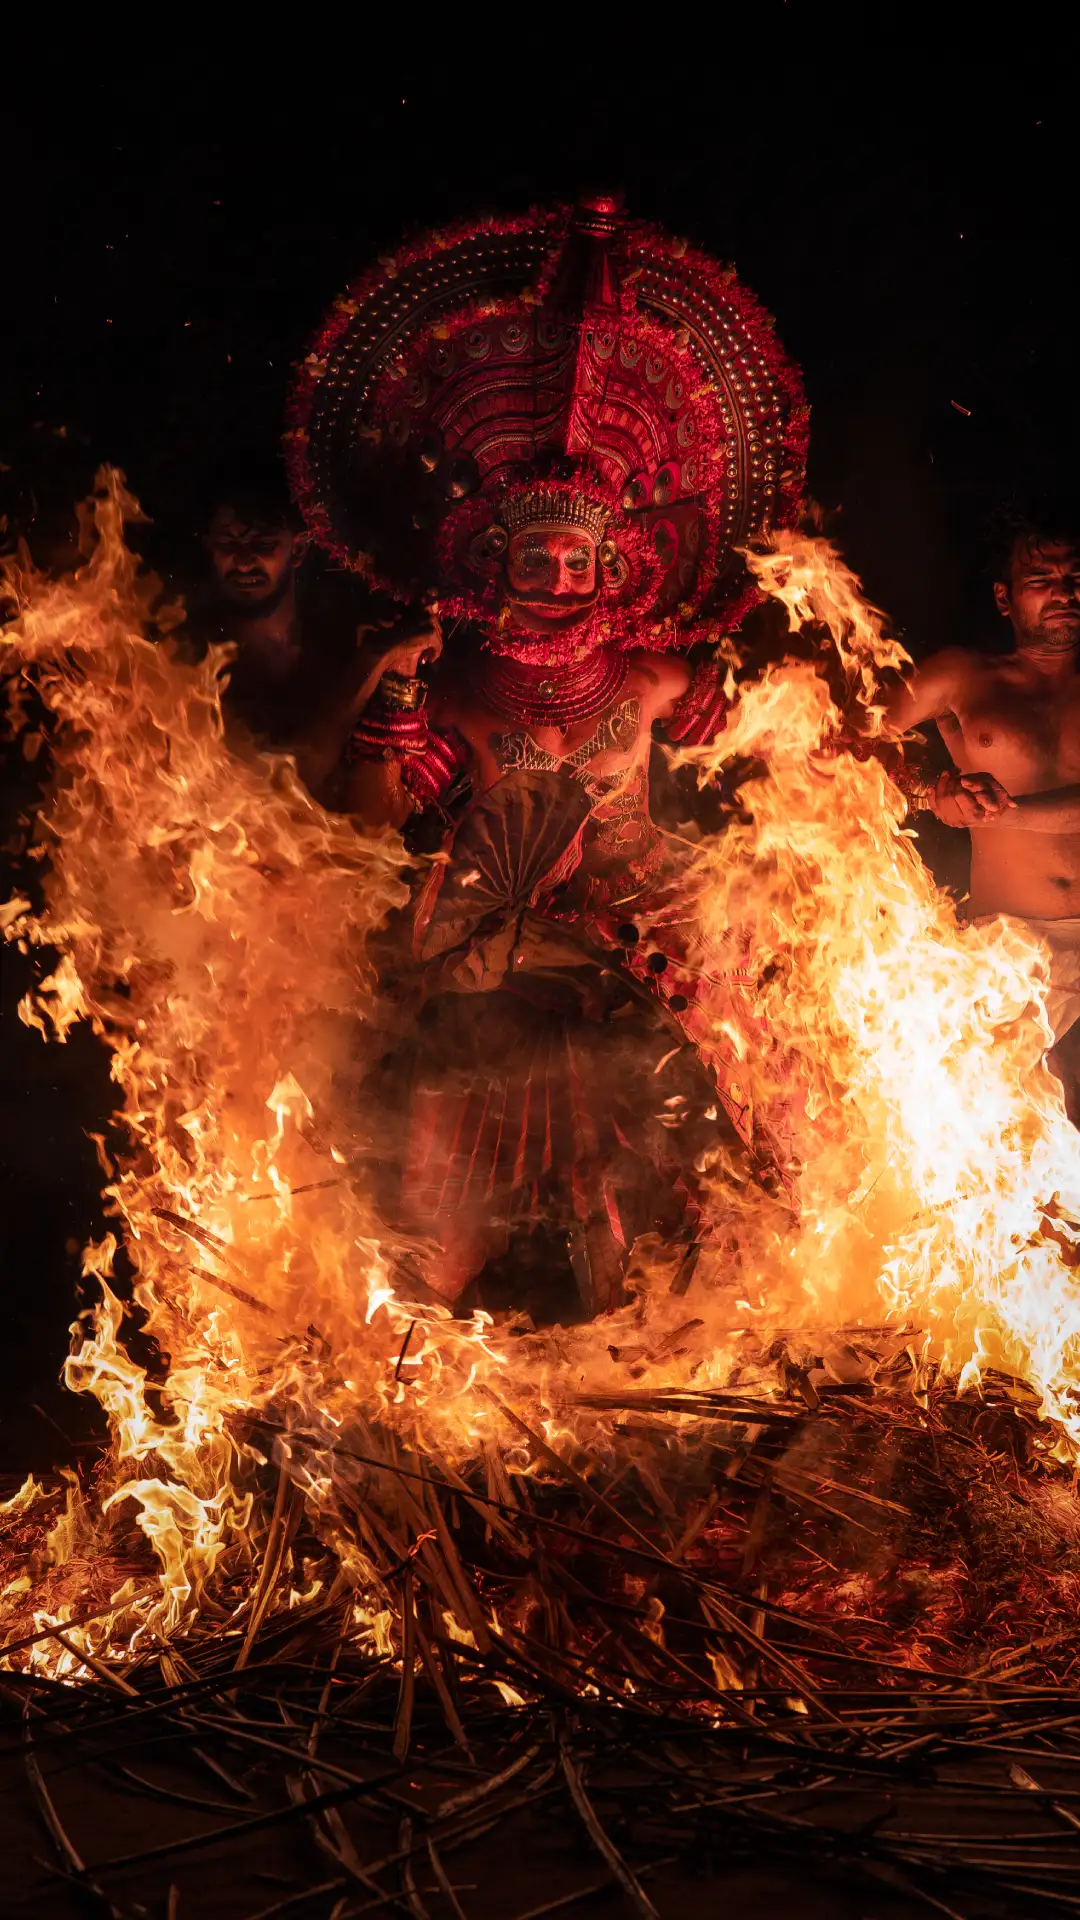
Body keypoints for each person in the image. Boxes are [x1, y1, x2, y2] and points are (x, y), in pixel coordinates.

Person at [287, 196, 809, 1312]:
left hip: (644, 957)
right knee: (433, 1236)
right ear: (495, 565)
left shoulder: (659, 678)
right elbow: (374, 827)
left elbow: (790, 750)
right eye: (538, 560)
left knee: (670, 1237)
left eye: (579, 563)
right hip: (494, 975)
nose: (559, 582)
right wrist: (389, 702)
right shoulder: (462, 691)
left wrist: (861, 783)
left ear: (615, 569)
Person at [885, 507, 1080, 1108]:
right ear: (1005, 597)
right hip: (1011, 953)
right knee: (1008, 1137)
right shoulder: (964, 676)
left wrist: (1006, 812)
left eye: (1075, 576)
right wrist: (929, 793)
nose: (1064, 593)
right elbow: (844, 742)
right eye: (1042, 579)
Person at [188, 460, 354, 752]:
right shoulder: (184, 660)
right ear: (209, 547)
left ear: (299, 549)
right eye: (228, 542)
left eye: (263, 544)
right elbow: (283, 776)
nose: (243, 561)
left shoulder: (338, 648)